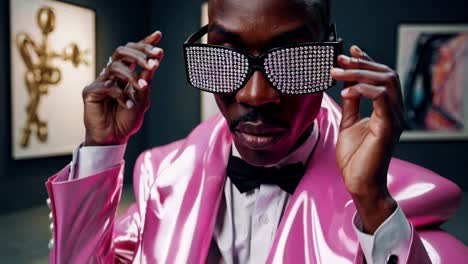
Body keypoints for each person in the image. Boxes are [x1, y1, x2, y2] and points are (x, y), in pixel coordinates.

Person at [45, 0, 467, 263]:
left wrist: (373, 204)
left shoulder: (397, 203)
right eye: (226, 58)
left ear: (333, 62)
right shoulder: (163, 179)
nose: (255, 94)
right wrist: (102, 148)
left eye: (293, 58)